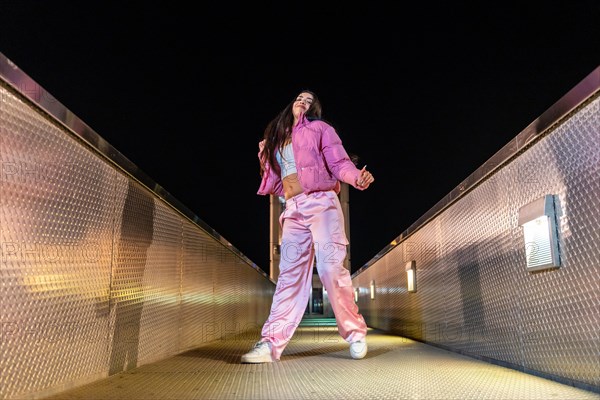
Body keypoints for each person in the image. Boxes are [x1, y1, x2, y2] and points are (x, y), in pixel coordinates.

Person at [241, 90, 374, 363]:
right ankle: (270, 343)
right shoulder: (276, 139)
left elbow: (339, 162)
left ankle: (355, 332)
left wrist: (355, 178)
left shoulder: (320, 129)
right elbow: (276, 181)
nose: (303, 101)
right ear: (292, 104)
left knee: (329, 268)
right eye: (300, 97)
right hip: (293, 209)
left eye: (309, 100)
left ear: (314, 109)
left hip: (322, 203)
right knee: (288, 275)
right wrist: (264, 156)